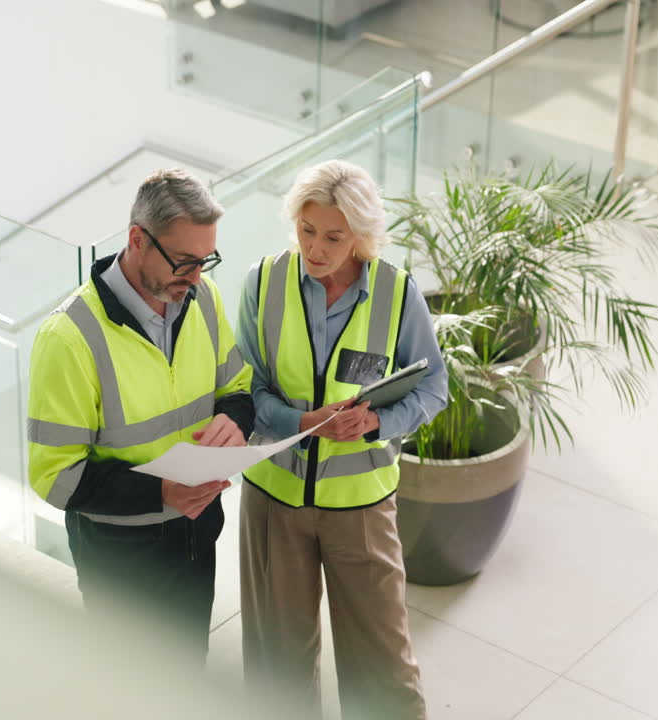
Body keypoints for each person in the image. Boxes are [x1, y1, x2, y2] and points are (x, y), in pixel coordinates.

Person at [236, 160, 447, 719]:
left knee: (383, 665)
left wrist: (378, 422)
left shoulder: (398, 294)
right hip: (273, 502)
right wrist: (299, 423)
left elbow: (434, 386)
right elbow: (245, 385)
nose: (316, 249)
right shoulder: (263, 282)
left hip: (361, 506)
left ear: (361, 236)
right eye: (307, 231)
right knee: (275, 665)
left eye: (334, 237)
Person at [26, 168, 254, 661]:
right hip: (121, 562)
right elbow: (54, 477)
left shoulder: (203, 299)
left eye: (205, 261)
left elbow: (237, 388)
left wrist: (235, 420)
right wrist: (163, 491)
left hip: (196, 539)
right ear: (137, 240)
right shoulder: (68, 339)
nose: (195, 277)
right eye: (184, 261)